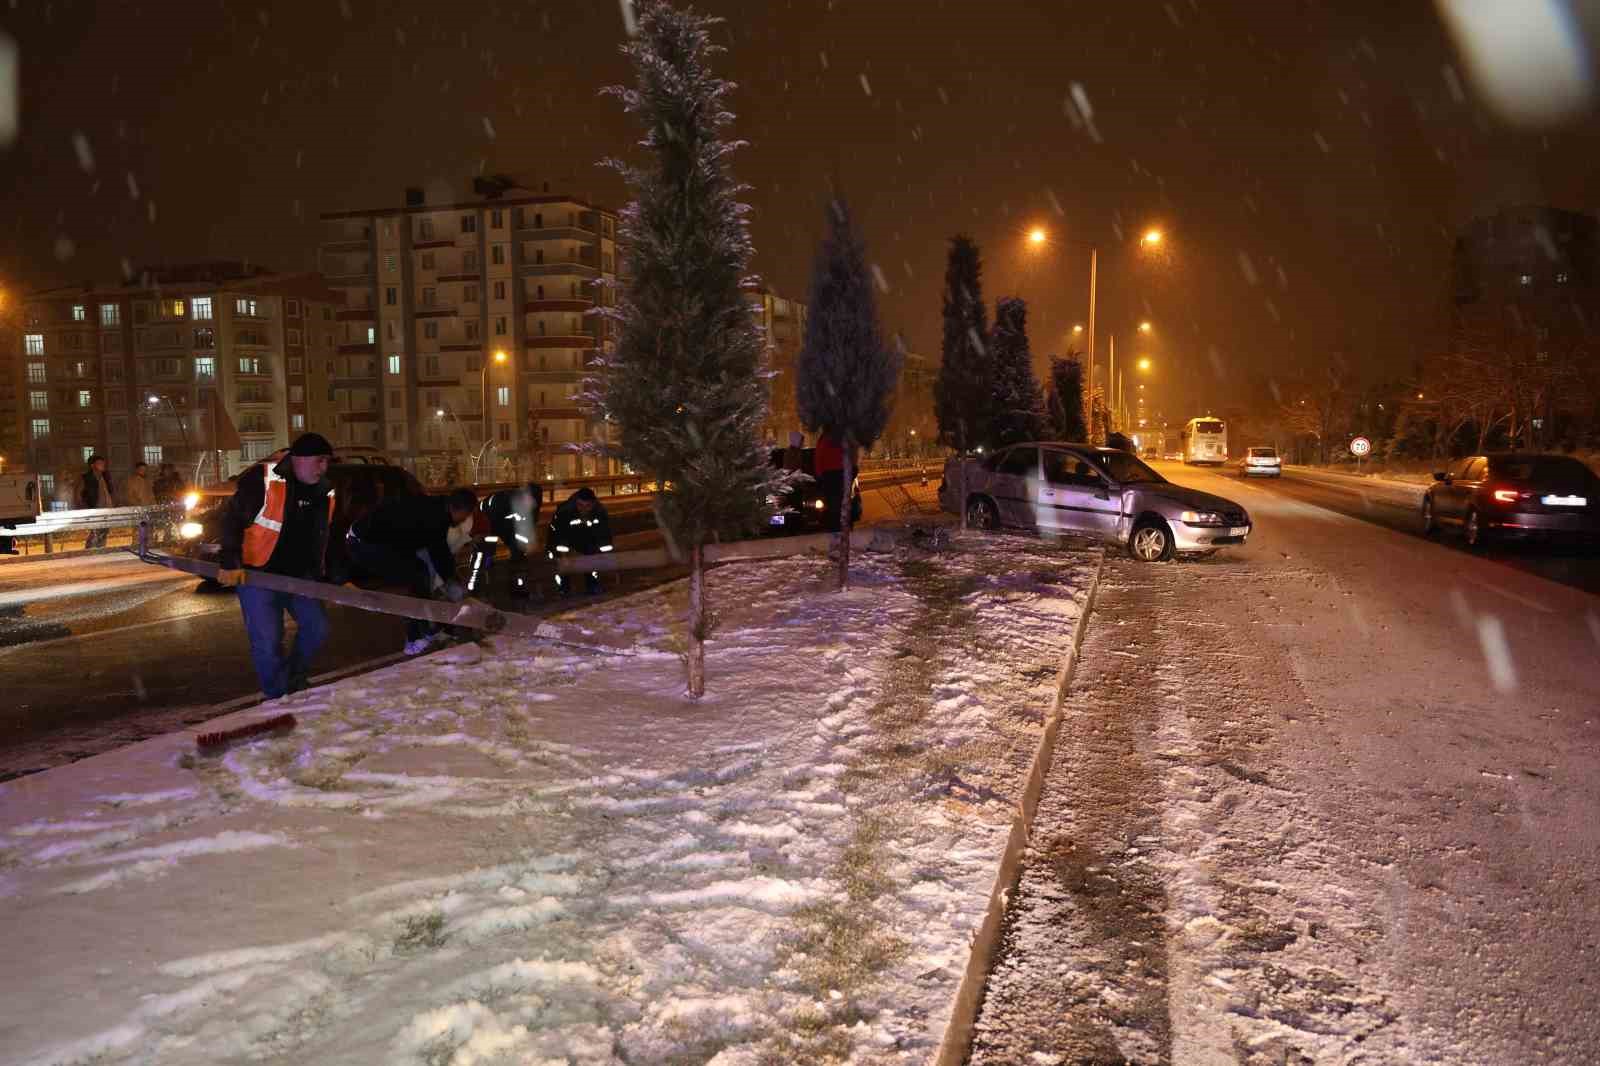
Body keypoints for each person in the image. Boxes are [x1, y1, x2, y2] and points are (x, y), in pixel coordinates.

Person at [215, 433, 338, 699]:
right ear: (298, 459)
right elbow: (231, 520)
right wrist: (230, 561)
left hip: (299, 577)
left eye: (327, 462)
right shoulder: (262, 481)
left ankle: (293, 680)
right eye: (319, 461)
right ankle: (277, 696)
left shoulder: (324, 489)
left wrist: (339, 578)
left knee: (317, 628)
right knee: (268, 642)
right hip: (258, 576)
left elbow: (328, 536)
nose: (324, 468)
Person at [346, 487, 483, 655]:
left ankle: (428, 630)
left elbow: (439, 553)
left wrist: (450, 580)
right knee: (415, 578)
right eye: (466, 515)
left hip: (383, 542)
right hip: (365, 544)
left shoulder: (438, 510)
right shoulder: (434, 517)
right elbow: (438, 552)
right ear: (459, 510)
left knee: (420, 575)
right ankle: (417, 639)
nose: (464, 520)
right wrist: (452, 583)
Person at [474, 481, 544, 600]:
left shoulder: (534, 504)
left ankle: (517, 586)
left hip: (509, 524)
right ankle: (480, 585)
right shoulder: (502, 501)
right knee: (486, 552)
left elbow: (529, 524)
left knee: (519, 552)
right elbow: (490, 525)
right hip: (487, 518)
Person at [546, 487, 613, 596]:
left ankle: (592, 584)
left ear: (593, 504)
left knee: (592, 556)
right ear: (576, 502)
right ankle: (564, 587)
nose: (583, 509)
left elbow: (604, 534)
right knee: (563, 562)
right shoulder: (565, 512)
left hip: (586, 539)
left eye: (587, 506)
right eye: (580, 505)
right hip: (565, 540)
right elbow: (559, 536)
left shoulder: (599, 512)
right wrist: (565, 554)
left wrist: (603, 553)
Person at [78, 454, 115, 548]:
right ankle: (90, 550)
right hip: (94, 508)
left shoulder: (106, 476)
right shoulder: (86, 478)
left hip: (107, 508)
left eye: (103, 463)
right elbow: (78, 493)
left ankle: (101, 548)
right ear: (92, 465)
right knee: (95, 531)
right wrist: (84, 507)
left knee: (105, 530)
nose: (102, 465)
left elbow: (111, 492)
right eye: (99, 463)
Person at [813, 431, 845, 533]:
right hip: (839, 474)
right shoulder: (840, 438)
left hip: (829, 475)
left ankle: (834, 526)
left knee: (831, 502)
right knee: (838, 502)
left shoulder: (823, 440)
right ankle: (838, 526)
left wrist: (819, 475)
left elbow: (818, 458)